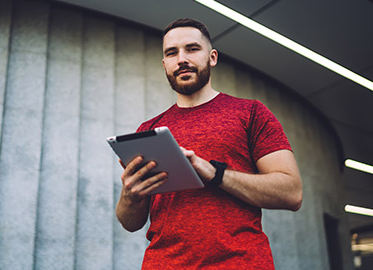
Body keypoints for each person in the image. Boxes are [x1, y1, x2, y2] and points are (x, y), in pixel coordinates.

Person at [115, 18, 303, 269]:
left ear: (212, 57)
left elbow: (292, 193)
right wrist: (130, 195)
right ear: (165, 64)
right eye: (172, 53)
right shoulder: (148, 131)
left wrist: (215, 173)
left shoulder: (250, 113)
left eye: (192, 49)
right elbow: (131, 223)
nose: (181, 59)